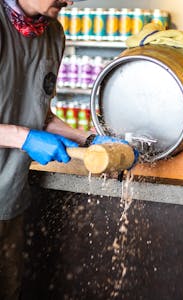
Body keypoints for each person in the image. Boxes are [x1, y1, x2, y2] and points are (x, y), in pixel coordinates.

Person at [0, 1, 138, 299]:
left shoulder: (53, 35)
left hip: (9, 202)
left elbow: (38, 112)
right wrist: (23, 137)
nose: (70, 0)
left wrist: (85, 138)